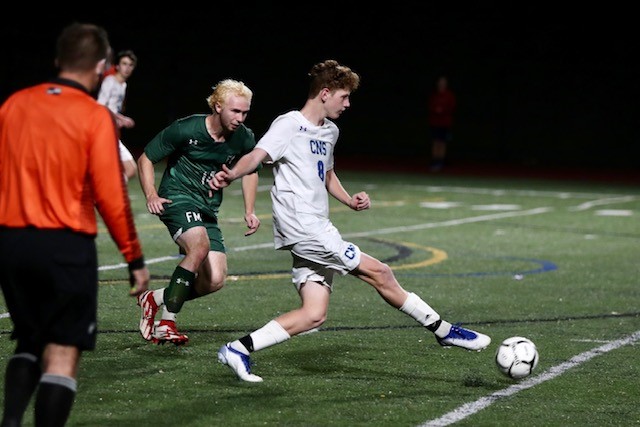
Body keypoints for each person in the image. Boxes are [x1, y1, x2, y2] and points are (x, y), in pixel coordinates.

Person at [210, 60, 490, 383]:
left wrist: (349, 200)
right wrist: (232, 173)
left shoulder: (330, 131)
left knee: (314, 313)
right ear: (325, 93)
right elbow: (257, 156)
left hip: (319, 226)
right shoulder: (288, 124)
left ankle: (238, 349)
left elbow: (326, 175)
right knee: (381, 272)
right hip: (303, 228)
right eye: (343, 97)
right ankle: (442, 329)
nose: (348, 104)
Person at [0, 22, 150, 426]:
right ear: (103, 67)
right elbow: (110, 195)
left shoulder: (13, 104)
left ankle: (11, 420)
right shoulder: (93, 115)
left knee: (29, 339)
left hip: (11, 242)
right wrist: (134, 259)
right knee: (63, 351)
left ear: (57, 61)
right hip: (65, 243)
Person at [136, 79, 261, 346]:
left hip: (207, 209)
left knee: (214, 280)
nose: (240, 118)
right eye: (235, 111)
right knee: (199, 247)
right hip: (177, 199)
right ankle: (167, 323)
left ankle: (154, 299)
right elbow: (146, 157)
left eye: (245, 112)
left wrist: (249, 210)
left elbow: (251, 168)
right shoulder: (186, 128)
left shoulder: (243, 137)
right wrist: (151, 194)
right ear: (217, 106)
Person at [97, 49, 138, 181]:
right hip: (102, 132)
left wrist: (117, 120)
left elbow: (113, 108)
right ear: (117, 66)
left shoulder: (123, 85)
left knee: (130, 170)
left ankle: (105, 194)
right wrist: (121, 118)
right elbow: (100, 106)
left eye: (130, 65)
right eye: (124, 64)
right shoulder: (110, 81)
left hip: (112, 131)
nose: (127, 68)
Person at [427, 75, 456, 172]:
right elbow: (430, 106)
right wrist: (436, 110)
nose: (441, 84)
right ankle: (435, 161)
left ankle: (440, 162)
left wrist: (442, 110)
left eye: (443, 83)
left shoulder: (449, 95)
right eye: (440, 83)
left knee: (442, 142)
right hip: (435, 123)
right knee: (435, 142)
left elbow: (452, 107)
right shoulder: (434, 96)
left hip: (445, 123)